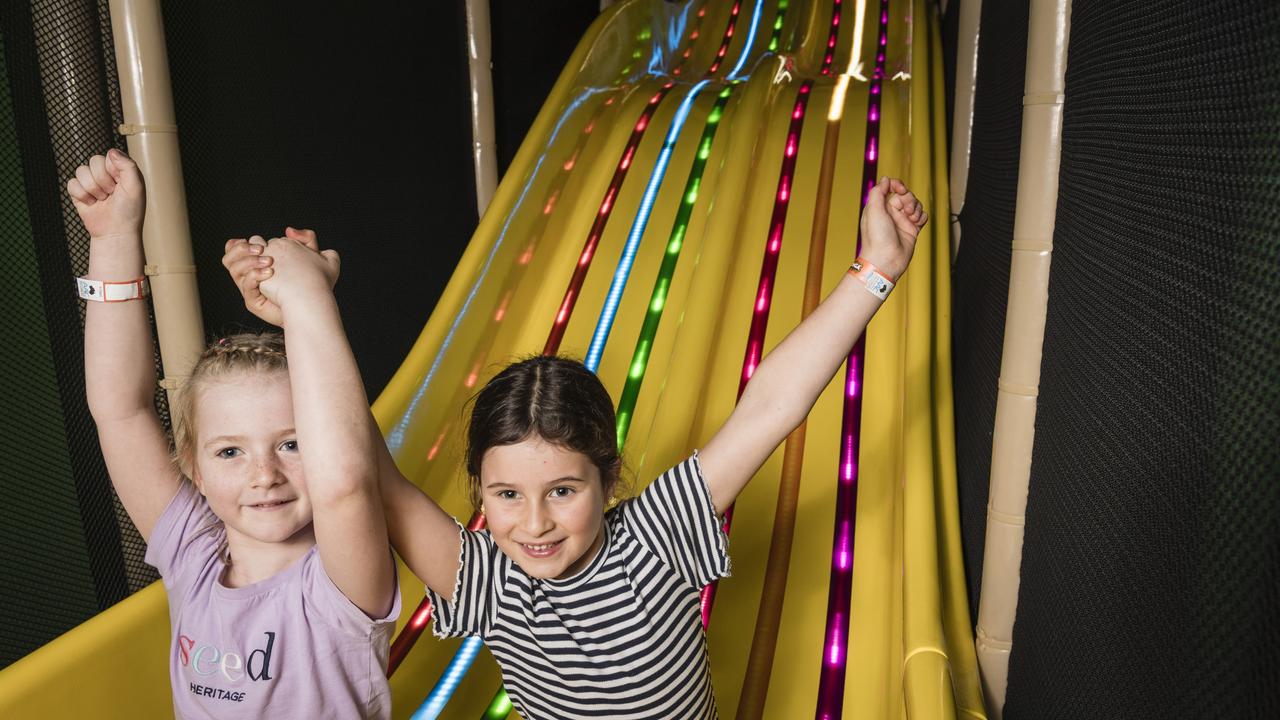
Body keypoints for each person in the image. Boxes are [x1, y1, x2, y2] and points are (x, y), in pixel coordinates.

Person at [223, 175, 927, 719]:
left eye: (563, 491)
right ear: (479, 490)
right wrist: (308, 312)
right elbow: (365, 464)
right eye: (506, 496)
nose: (533, 525)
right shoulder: (487, 580)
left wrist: (876, 271)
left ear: (607, 479)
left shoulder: (657, 535)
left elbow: (772, 405)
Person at [71, 149, 399, 718]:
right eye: (229, 451)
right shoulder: (192, 555)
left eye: (292, 443)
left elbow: (346, 482)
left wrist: (307, 301)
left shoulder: (337, 581)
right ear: (194, 467)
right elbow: (119, 409)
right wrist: (113, 237)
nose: (264, 473)